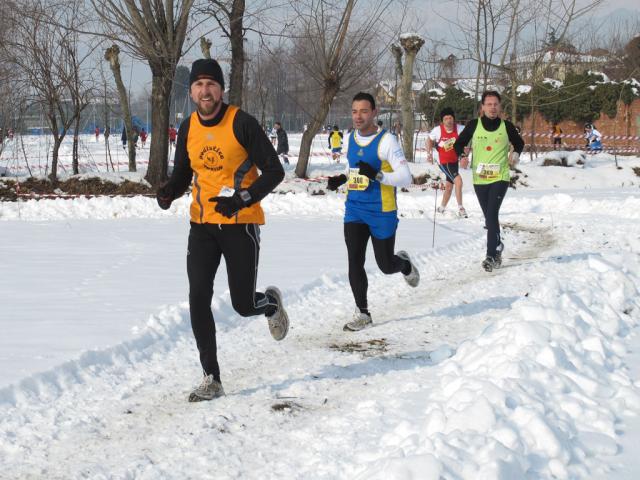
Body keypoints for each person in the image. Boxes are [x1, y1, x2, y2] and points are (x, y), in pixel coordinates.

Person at [155, 58, 288, 402]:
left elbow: (274, 171)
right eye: (198, 85)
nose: (205, 90)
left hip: (240, 224)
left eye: (211, 84)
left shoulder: (242, 123)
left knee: (243, 304)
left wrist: (242, 199)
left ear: (221, 89)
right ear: (191, 92)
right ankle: (211, 377)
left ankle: (270, 304)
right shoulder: (187, 128)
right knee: (198, 296)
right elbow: (185, 173)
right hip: (201, 226)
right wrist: (170, 190)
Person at [326, 92, 420, 331]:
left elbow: (405, 177)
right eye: (355, 111)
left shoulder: (387, 141)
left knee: (386, 265)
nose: (358, 116)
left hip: (382, 210)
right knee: (354, 260)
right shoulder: (350, 138)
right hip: (355, 208)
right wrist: (341, 178)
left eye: (364, 111)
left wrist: (377, 175)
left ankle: (405, 265)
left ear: (375, 113)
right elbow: (353, 168)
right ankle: (363, 312)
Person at [454, 90, 524, 272]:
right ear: (482, 107)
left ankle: (491, 256)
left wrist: (515, 154)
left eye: (496, 104)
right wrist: (462, 155)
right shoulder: (473, 125)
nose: (493, 107)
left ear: (500, 106)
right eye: (489, 104)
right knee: (489, 217)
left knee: (492, 214)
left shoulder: (506, 126)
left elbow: (519, 142)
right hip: (480, 178)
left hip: (500, 177)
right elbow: (458, 144)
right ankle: (498, 245)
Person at [426, 107, 467, 218]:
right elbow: (429, 140)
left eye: (450, 118)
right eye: (446, 118)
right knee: (458, 181)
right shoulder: (437, 130)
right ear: (442, 121)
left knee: (449, 187)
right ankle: (461, 208)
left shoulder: (460, 128)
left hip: (454, 162)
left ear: (453, 119)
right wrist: (429, 154)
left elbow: (470, 136)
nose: (448, 120)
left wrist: (466, 151)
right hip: (443, 162)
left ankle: (441, 208)